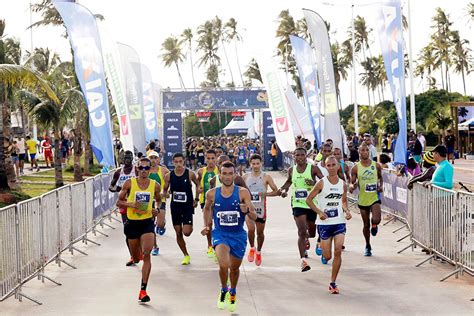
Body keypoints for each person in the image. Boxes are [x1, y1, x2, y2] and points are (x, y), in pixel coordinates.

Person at [201, 161, 257, 312]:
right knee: (223, 264)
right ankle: (224, 289)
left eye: (230, 173)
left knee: (234, 269)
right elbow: (206, 209)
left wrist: (246, 211)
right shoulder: (212, 193)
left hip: (238, 235)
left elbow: (255, 215)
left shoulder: (243, 193)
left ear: (234, 175)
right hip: (220, 234)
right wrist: (207, 225)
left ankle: (233, 291)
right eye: (224, 173)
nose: (227, 176)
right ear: (220, 175)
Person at [116, 158, 161, 303]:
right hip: (132, 223)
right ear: (137, 168)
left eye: (147, 168)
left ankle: (143, 290)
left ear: (150, 169)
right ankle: (136, 254)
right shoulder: (130, 183)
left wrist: (157, 209)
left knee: (147, 253)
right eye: (141, 168)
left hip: (147, 223)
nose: (144, 170)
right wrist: (131, 204)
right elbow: (118, 202)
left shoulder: (155, 185)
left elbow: (159, 200)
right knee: (136, 258)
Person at [306, 156, 352, 294]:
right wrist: (319, 212)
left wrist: (347, 211)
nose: (331, 167)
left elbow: (343, 201)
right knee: (327, 257)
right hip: (324, 223)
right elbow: (309, 200)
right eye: (328, 165)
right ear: (325, 167)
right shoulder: (321, 183)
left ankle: (333, 282)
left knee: (338, 250)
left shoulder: (342, 184)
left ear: (338, 166)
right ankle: (321, 245)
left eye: (333, 165)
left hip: (339, 221)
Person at [279, 147, 324, 272]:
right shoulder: (291, 170)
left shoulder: (313, 168)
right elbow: (288, 182)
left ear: (306, 156)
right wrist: (283, 190)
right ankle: (303, 261)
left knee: (312, 233)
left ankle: (307, 238)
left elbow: (323, 182)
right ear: (294, 156)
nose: (299, 157)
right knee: (301, 231)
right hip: (298, 204)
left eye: (302, 155)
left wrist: (314, 183)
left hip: (311, 204)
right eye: (297, 155)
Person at [162, 153, 199, 265]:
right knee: (178, 233)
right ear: (173, 162)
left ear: (184, 161)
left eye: (180, 161)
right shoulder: (168, 176)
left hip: (187, 206)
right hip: (175, 207)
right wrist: (166, 194)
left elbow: (198, 185)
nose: (178, 164)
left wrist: (196, 199)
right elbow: (165, 190)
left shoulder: (190, 174)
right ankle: (186, 255)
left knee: (186, 232)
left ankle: (187, 236)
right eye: (176, 162)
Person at [243, 154, 280, 266]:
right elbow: (239, 190)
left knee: (260, 233)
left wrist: (265, 194)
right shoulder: (245, 177)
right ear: (250, 164)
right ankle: (252, 248)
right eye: (253, 164)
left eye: (257, 163)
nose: (255, 166)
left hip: (261, 209)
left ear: (261, 163)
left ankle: (258, 251)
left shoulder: (266, 177)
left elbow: (276, 191)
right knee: (250, 230)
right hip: (249, 209)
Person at [350, 143, 383, 257]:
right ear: (359, 153)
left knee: (376, 219)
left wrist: (380, 186)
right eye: (361, 150)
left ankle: (375, 225)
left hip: (374, 197)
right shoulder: (355, 168)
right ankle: (368, 245)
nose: (364, 152)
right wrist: (352, 186)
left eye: (366, 150)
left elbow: (380, 177)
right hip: (363, 199)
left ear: (368, 152)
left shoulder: (376, 165)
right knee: (365, 225)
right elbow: (352, 182)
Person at [109, 150, 138, 266]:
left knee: (138, 229)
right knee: (128, 230)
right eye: (125, 157)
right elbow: (111, 186)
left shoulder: (136, 170)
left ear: (132, 158)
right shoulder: (118, 172)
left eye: (129, 157)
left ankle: (138, 250)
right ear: (122, 158)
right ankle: (132, 255)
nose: (127, 159)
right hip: (124, 204)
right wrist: (119, 189)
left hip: (136, 203)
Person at [197, 149, 219, 258]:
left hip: (219, 202)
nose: (210, 161)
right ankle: (210, 245)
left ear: (216, 159)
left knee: (218, 224)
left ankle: (218, 245)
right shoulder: (201, 171)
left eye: (212, 158)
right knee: (209, 224)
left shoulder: (220, 171)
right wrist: (199, 190)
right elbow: (198, 184)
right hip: (206, 202)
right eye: (208, 158)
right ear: (205, 158)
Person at [147, 151, 169, 255]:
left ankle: (161, 225)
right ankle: (155, 247)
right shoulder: (145, 171)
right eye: (151, 158)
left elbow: (172, 180)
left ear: (158, 159)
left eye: (155, 158)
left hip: (161, 199)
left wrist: (168, 191)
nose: (153, 160)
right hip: (149, 201)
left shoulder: (163, 170)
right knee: (151, 225)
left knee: (159, 223)